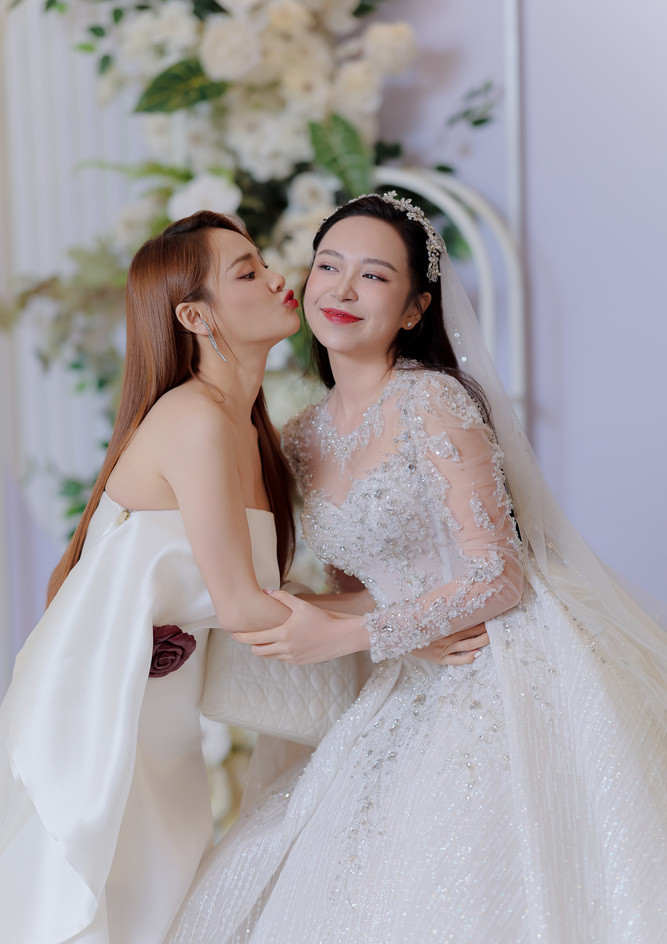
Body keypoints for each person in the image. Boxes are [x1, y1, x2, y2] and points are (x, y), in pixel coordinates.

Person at [167, 194, 666, 944]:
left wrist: (354, 634)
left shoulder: (433, 401)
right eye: (328, 266)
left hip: (498, 658)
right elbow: (362, 592)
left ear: (413, 309)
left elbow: (499, 576)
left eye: (373, 276)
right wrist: (346, 622)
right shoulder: (299, 437)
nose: (341, 289)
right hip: (409, 665)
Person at [0, 210, 307, 944]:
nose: (278, 278)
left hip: (159, 697)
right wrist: (394, 631)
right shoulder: (194, 419)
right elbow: (243, 606)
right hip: (102, 702)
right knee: (113, 897)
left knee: (159, 891)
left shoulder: (247, 426)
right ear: (194, 316)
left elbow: (256, 598)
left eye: (264, 261)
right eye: (247, 271)